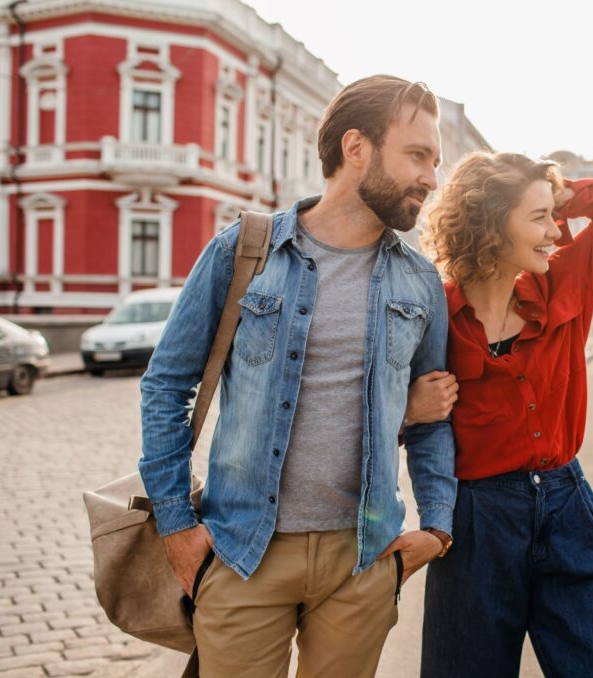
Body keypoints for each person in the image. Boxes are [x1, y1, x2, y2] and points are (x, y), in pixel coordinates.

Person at [138, 75, 457, 678]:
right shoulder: (243, 252)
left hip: (362, 559)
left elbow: (434, 418)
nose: (431, 179)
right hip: (244, 552)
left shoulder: (420, 283)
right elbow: (166, 387)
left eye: (436, 161)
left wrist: (436, 528)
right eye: (418, 155)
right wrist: (178, 527)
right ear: (356, 149)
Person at [410, 151, 593, 677]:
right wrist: (408, 410)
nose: (556, 232)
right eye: (538, 219)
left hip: (567, 507)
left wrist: (556, 190)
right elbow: (377, 411)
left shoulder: (565, 281)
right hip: (475, 524)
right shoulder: (433, 315)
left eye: (552, 217)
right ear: (490, 225)